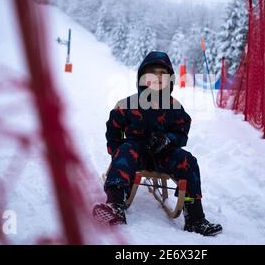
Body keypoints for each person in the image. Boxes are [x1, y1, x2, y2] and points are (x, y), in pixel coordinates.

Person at [93, 51, 222, 237]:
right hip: (135, 154)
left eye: (163, 74)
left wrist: (169, 139)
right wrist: (117, 151)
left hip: (164, 154)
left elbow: (182, 131)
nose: (157, 78)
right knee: (125, 150)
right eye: (152, 73)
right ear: (142, 78)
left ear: (170, 79)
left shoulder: (174, 106)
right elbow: (113, 128)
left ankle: (195, 217)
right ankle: (115, 205)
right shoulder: (127, 104)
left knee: (188, 160)